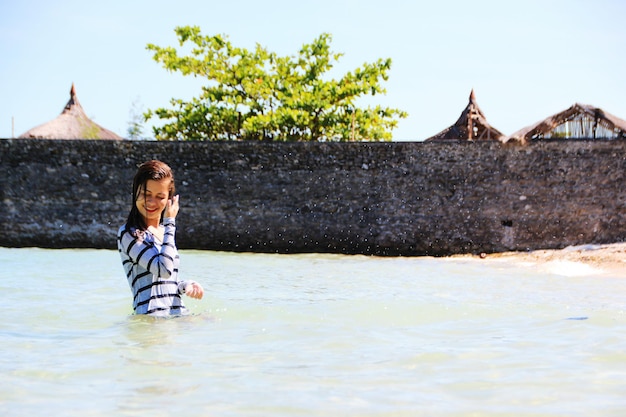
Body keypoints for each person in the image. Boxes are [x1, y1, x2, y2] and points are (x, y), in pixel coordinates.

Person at [117, 160, 203, 316]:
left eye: (160, 196)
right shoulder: (128, 234)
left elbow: (167, 283)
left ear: (169, 199)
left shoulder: (164, 232)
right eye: (146, 194)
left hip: (178, 316)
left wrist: (186, 285)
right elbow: (163, 270)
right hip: (152, 322)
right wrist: (170, 222)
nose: (151, 202)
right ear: (135, 191)